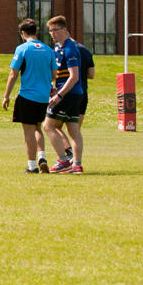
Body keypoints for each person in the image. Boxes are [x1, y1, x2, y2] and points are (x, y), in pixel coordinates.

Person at [2, 17, 58, 173]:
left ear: (22, 33)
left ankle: (32, 166)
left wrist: (6, 96)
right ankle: (42, 157)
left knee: (28, 132)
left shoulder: (23, 49)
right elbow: (54, 74)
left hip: (27, 96)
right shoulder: (48, 49)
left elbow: (13, 74)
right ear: (36, 32)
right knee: (37, 128)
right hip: (43, 97)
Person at [43, 15, 94, 174]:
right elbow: (58, 73)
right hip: (72, 94)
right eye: (50, 31)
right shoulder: (58, 47)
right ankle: (76, 165)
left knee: (48, 125)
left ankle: (63, 160)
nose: (52, 34)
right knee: (73, 130)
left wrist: (59, 95)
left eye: (55, 30)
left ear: (65, 30)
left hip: (69, 94)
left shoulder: (70, 48)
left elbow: (74, 76)